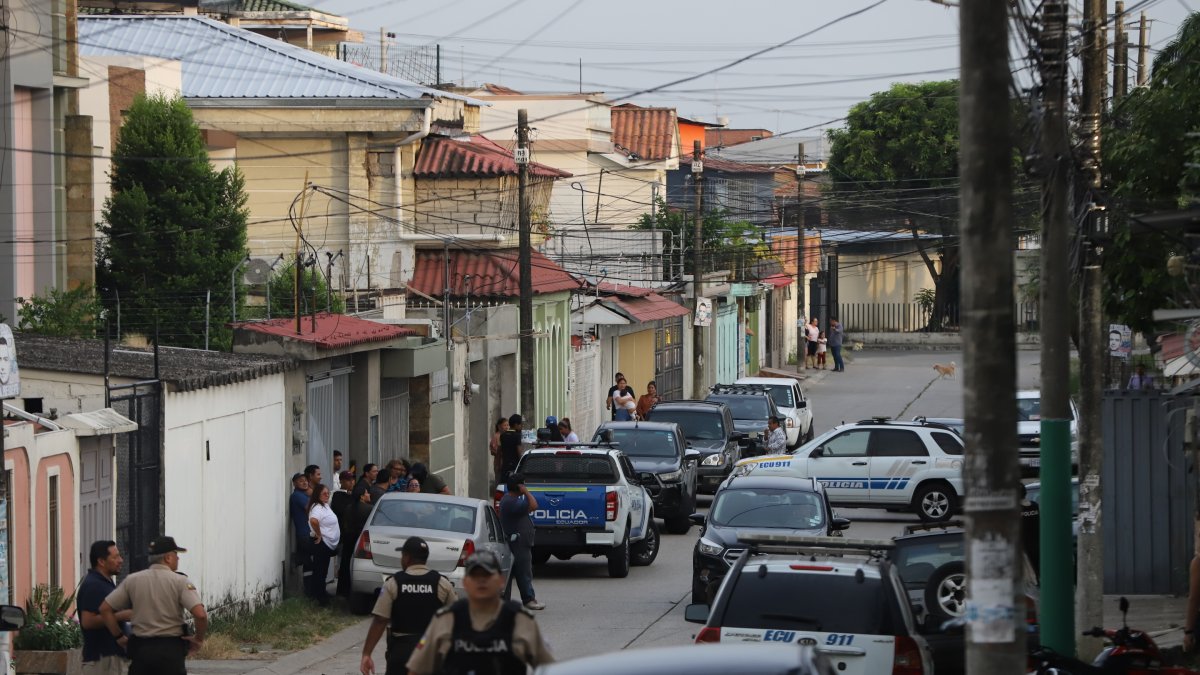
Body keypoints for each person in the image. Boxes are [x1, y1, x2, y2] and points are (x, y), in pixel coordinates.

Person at [405, 551, 554, 675]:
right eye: (475, 575)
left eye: (487, 575)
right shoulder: (446, 619)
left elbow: (549, 669)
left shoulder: (520, 619)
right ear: (465, 582)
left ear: (501, 581)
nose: (481, 580)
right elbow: (417, 670)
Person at [100, 536, 207, 675]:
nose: (178, 559)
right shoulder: (180, 581)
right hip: (170, 652)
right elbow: (200, 614)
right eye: (176, 555)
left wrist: (119, 637)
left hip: (141, 651)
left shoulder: (132, 580)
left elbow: (105, 609)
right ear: (168, 558)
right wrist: (198, 639)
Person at [359, 537, 456, 675]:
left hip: (401, 651)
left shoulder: (393, 583)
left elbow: (380, 620)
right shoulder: (442, 583)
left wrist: (366, 654)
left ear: (407, 558)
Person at [79, 540, 131, 674]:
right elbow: (87, 621)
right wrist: (121, 615)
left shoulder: (105, 583)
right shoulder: (94, 585)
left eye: (119, 556)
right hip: (102, 661)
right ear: (101, 561)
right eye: (115, 557)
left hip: (110, 658)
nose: (120, 560)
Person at [499, 474, 544, 611]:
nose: (525, 486)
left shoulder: (512, 500)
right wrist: (525, 492)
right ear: (518, 486)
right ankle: (529, 599)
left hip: (520, 542)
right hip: (517, 543)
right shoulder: (511, 501)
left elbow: (530, 508)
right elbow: (534, 505)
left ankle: (507, 601)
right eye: (523, 484)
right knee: (523, 572)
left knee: (520, 571)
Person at [307, 482, 340, 606]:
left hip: (327, 544)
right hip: (322, 543)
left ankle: (321, 593)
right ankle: (320, 598)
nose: (327, 495)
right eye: (324, 494)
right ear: (317, 495)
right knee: (320, 571)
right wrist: (319, 534)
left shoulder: (325, 505)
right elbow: (313, 520)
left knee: (323, 571)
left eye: (328, 493)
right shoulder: (317, 507)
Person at [340, 486, 374, 597]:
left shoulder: (348, 508)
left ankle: (343, 592)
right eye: (367, 492)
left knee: (345, 564)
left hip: (348, 538)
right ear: (362, 496)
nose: (369, 494)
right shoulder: (369, 509)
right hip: (360, 539)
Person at [289, 472, 313, 584]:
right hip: (305, 534)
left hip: (307, 533)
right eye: (300, 481)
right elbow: (311, 508)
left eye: (305, 480)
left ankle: (298, 559)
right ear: (294, 483)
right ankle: (297, 559)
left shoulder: (304, 495)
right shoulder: (297, 496)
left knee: (307, 560)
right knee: (310, 561)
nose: (304, 482)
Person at [498, 414, 525, 479]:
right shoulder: (517, 436)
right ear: (516, 425)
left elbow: (500, 451)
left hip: (505, 467)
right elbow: (519, 453)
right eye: (520, 424)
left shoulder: (502, 436)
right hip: (514, 467)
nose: (522, 426)